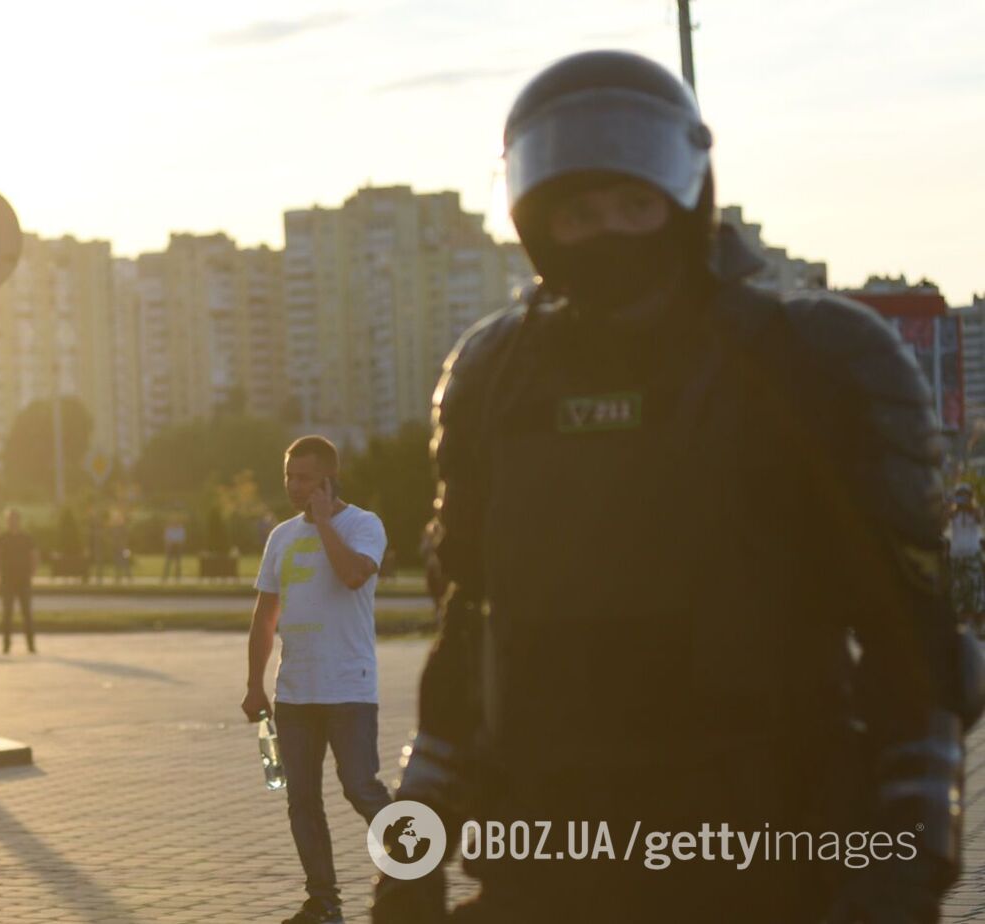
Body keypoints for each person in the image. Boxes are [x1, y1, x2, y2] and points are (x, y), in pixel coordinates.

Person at [376, 51, 975, 922]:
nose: (610, 231)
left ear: (685, 200)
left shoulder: (814, 357)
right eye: (579, 213)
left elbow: (914, 643)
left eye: (634, 204)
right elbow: (468, 645)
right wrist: (409, 850)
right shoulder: (498, 375)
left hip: (768, 854)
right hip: (549, 862)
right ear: (539, 223)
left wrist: (905, 863)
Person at [241, 435, 391, 924]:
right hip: (295, 695)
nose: (293, 486)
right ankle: (323, 903)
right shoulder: (280, 537)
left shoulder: (363, 525)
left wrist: (325, 522)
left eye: (304, 477)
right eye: (289, 476)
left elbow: (352, 576)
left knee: (360, 787)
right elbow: (265, 617)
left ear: (329, 479)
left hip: (348, 688)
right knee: (301, 800)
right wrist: (254, 684)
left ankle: (417, 861)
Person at [0, 508, 40, 655]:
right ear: (7, 521)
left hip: (23, 580)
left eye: (15, 520)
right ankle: (6, 645)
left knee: (27, 614)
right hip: (7, 580)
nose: (12, 523)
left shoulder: (26, 538)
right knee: (7, 614)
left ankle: (31, 645)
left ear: (19, 521)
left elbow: (34, 555)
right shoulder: (1, 538)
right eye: (10, 520)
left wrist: (32, 572)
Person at [951, 484, 985, 636]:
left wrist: (971, 505)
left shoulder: (975, 512)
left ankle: (979, 626)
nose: (962, 499)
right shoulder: (954, 513)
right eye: (960, 495)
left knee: (976, 593)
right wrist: (952, 504)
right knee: (959, 594)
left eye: (965, 495)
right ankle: (963, 631)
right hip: (957, 558)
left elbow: (980, 517)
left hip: (972, 556)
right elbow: (942, 520)